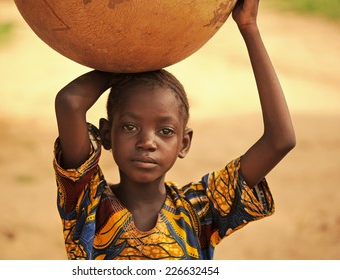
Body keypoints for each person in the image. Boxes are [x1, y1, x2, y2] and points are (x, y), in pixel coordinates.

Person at [53, 0, 296, 260]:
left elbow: (280, 140)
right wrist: (127, 61)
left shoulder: (199, 209)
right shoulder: (87, 203)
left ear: (184, 143)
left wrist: (249, 27)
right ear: (106, 134)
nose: (147, 142)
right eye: (130, 126)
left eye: (165, 131)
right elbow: (70, 103)